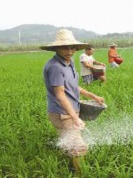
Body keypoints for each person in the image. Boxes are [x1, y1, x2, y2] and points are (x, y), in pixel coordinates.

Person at [40, 29, 104, 173]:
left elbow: (73, 86)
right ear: (56, 48)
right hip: (63, 114)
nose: (69, 51)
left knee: (70, 143)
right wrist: (76, 119)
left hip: (70, 110)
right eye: (65, 47)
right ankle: (80, 173)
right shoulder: (55, 67)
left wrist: (93, 96)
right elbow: (60, 94)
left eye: (72, 47)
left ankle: (68, 167)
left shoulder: (70, 62)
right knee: (79, 148)